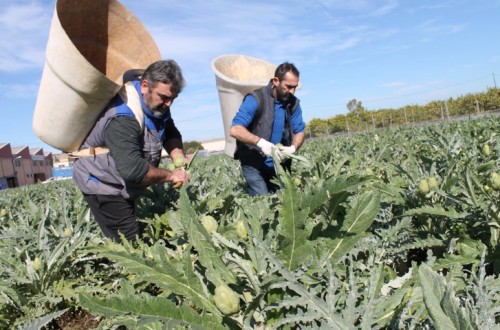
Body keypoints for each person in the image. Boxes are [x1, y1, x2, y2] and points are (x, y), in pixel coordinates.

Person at [73, 60, 190, 242]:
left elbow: (169, 129)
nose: (169, 104)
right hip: (103, 183)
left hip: (122, 181)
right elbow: (133, 170)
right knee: (129, 243)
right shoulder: (123, 117)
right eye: (164, 97)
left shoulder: (156, 103)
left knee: (130, 232)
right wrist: (171, 175)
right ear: (145, 86)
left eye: (173, 98)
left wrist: (177, 154)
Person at [230, 62, 306, 196]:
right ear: (276, 81)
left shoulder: (293, 103)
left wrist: (292, 148)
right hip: (253, 163)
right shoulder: (256, 99)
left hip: (279, 164)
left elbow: (300, 131)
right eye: (288, 86)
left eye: (295, 87)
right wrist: (260, 142)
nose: (292, 91)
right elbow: (235, 129)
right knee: (263, 203)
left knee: (284, 202)